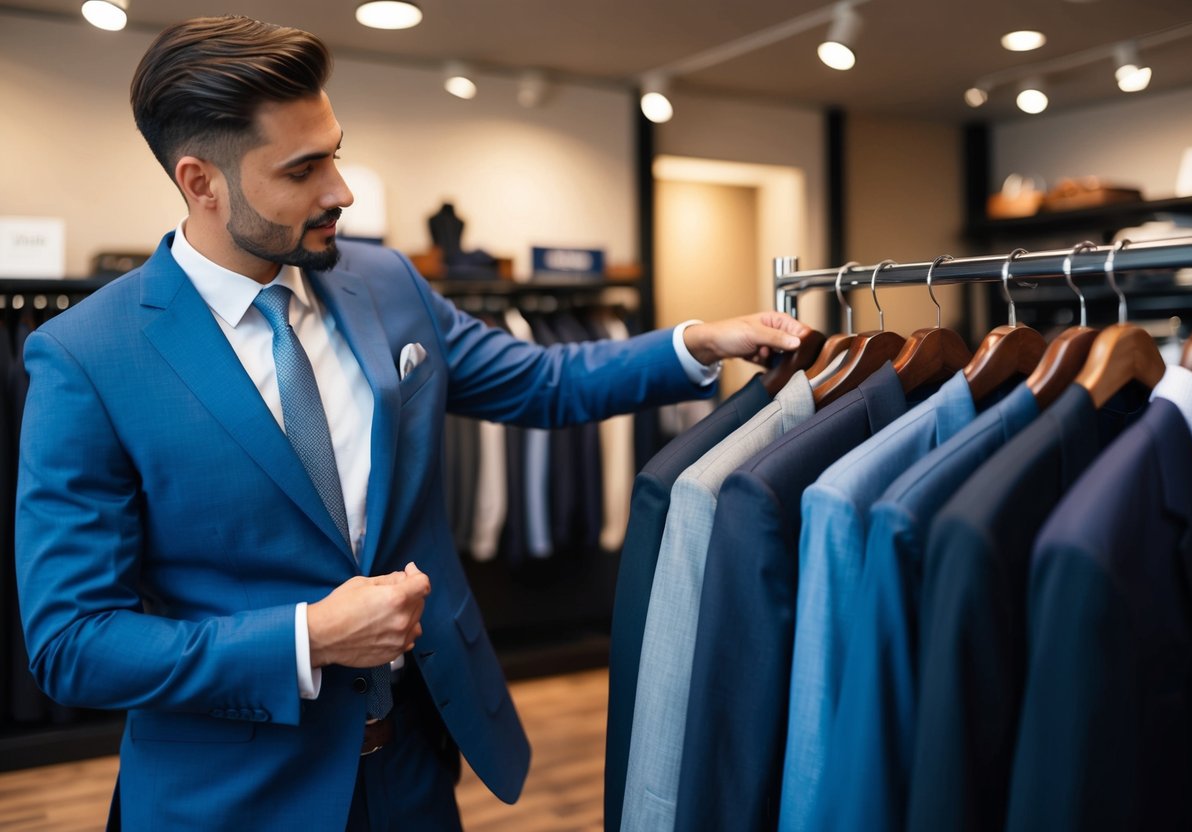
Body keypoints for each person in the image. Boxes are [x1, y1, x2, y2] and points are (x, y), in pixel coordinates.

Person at [13, 15, 807, 832]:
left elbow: (539, 378)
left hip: (417, 766)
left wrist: (696, 343)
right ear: (200, 181)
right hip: (236, 797)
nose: (341, 191)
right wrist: (307, 637)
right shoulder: (86, 357)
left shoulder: (383, 281)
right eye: (303, 168)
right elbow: (74, 644)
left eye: (335, 152)